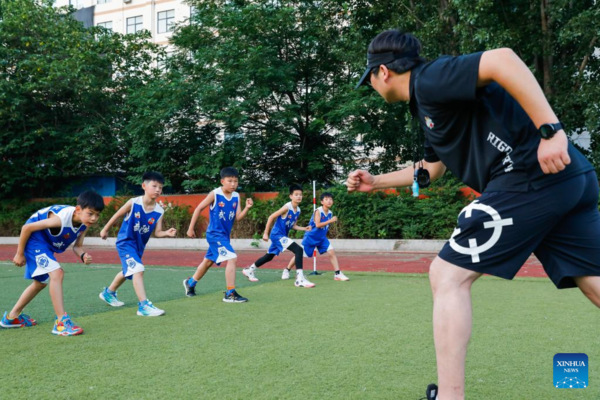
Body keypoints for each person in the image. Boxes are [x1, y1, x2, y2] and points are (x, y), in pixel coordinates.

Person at [350, 29, 600, 400]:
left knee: (446, 274)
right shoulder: (427, 106)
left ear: (382, 72)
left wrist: (551, 130)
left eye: (368, 78)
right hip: (567, 180)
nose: (370, 85)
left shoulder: (431, 79)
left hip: (529, 175)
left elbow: (502, 58)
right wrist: (377, 181)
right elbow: (430, 170)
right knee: (593, 280)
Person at [1, 191, 105, 336]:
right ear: (78, 210)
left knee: (40, 283)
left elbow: (77, 246)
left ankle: (11, 318)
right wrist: (19, 253)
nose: (94, 218)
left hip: (46, 244)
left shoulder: (84, 223)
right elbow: (27, 228)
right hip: (35, 240)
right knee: (57, 273)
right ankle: (61, 322)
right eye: (90, 213)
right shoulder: (59, 220)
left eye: (97, 215)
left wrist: (83, 255)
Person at [99, 172, 177, 317]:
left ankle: (108, 293)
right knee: (138, 269)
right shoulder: (133, 202)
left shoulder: (159, 211)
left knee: (128, 271)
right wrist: (105, 229)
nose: (158, 190)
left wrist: (166, 232)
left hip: (139, 246)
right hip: (125, 242)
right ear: (144, 186)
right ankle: (143, 306)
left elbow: (157, 232)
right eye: (154, 186)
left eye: (160, 187)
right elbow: (117, 215)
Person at [183, 167, 253, 302]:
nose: (233, 184)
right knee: (232, 258)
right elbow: (198, 208)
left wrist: (247, 208)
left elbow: (237, 217)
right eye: (230, 181)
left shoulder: (236, 196)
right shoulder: (215, 194)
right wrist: (190, 228)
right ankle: (230, 293)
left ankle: (190, 283)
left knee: (208, 261)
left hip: (224, 236)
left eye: (236, 181)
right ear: (222, 181)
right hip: (214, 235)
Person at [241, 184, 314, 288]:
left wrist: (304, 228)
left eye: (300, 195)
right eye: (296, 194)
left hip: (282, 236)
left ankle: (249, 270)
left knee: (269, 256)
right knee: (299, 250)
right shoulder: (286, 207)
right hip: (277, 235)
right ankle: (300, 279)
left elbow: (293, 225)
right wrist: (265, 233)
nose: (299, 196)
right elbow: (271, 217)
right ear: (291, 196)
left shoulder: (298, 210)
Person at [285, 192, 349, 283]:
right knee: (299, 255)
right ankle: (287, 270)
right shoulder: (318, 211)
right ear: (322, 202)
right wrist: (330, 221)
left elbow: (324, 226)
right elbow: (318, 225)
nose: (329, 201)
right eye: (326, 199)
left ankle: (337, 273)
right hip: (311, 237)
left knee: (331, 252)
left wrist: (328, 223)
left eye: (330, 199)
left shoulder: (330, 213)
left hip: (322, 238)